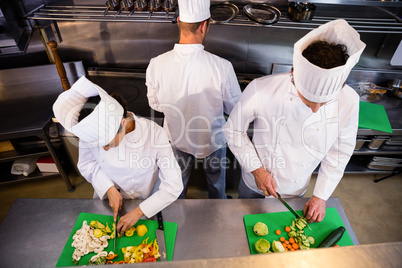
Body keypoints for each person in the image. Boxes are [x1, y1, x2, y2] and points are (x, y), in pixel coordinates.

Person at [222, 19, 366, 222]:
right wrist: (258, 170)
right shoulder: (261, 88)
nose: (316, 110)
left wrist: (320, 195)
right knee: (242, 223)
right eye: (308, 101)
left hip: (296, 188)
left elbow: (339, 152)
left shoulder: (349, 101)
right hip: (254, 182)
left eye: (323, 103)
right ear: (293, 74)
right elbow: (233, 130)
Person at [53, 76, 183, 233]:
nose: (105, 149)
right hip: (107, 202)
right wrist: (108, 188)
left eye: (107, 144)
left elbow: (173, 185)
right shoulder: (91, 133)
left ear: (123, 124)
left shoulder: (155, 134)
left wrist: (139, 211)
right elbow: (87, 163)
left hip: (148, 202)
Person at [146, 0, 241, 199]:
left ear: (179, 21)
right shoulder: (222, 66)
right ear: (205, 26)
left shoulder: (156, 64)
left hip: (176, 137)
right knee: (216, 184)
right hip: (212, 140)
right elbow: (236, 109)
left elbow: (155, 105)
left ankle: (176, 219)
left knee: (176, 186)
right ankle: (218, 207)